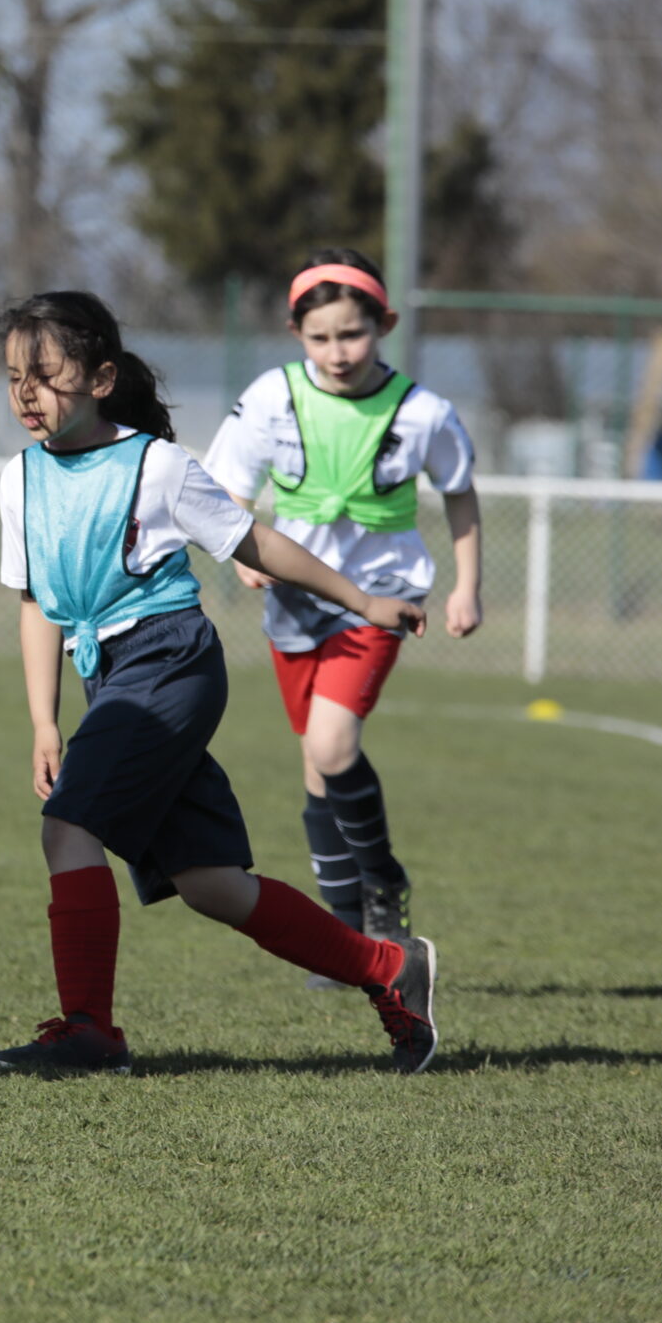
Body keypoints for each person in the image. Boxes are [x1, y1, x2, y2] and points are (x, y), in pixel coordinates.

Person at [0, 291, 439, 1077]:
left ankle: (90, 1030)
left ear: (101, 379)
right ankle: (388, 967)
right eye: (12, 377)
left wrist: (365, 601)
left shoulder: (156, 466)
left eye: (46, 374)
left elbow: (256, 541)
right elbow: (37, 604)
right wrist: (43, 722)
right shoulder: (18, 478)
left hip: (168, 662)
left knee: (67, 826)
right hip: (111, 676)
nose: (27, 393)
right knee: (211, 884)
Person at [202, 249, 481, 970]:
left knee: (331, 746)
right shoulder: (271, 396)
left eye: (352, 333)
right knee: (316, 763)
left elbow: (459, 492)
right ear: (296, 333)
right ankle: (346, 937)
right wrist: (242, 552)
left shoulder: (422, 412)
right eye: (320, 337)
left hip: (382, 598)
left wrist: (466, 585)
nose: (337, 351)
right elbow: (229, 487)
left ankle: (383, 877)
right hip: (295, 596)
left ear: (384, 324)